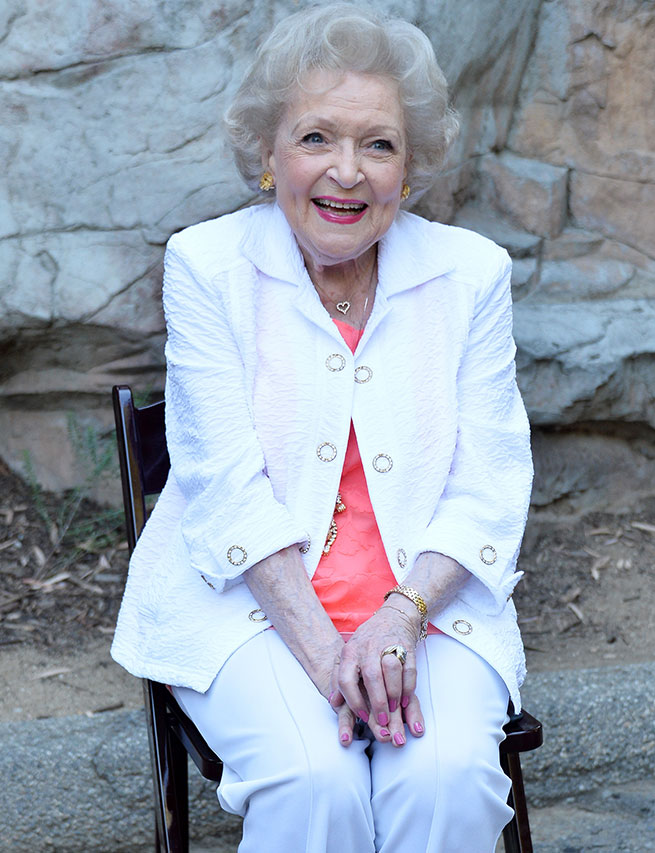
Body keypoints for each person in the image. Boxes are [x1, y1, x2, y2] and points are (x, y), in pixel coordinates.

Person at [111, 4, 533, 851]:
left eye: (378, 144)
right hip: (251, 607)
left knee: (448, 781)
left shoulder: (471, 275)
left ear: (408, 169)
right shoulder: (207, 266)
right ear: (269, 154)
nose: (347, 172)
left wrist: (398, 618)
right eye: (316, 138)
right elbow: (223, 485)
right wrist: (327, 654)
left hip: (427, 607)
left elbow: (490, 482)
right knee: (314, 785)